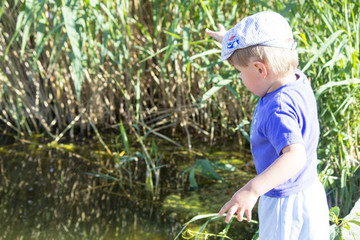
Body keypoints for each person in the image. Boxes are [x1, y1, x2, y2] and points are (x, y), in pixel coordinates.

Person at [205, 11, 329, 239]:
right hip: (310, 193)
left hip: (285, 205)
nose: (241, 79)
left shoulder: (277, 109)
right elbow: (269, 49)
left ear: (261, 69)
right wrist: (230, 42)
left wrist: (252, 190)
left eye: (241, 72)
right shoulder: (296, 77)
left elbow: (295, 156)